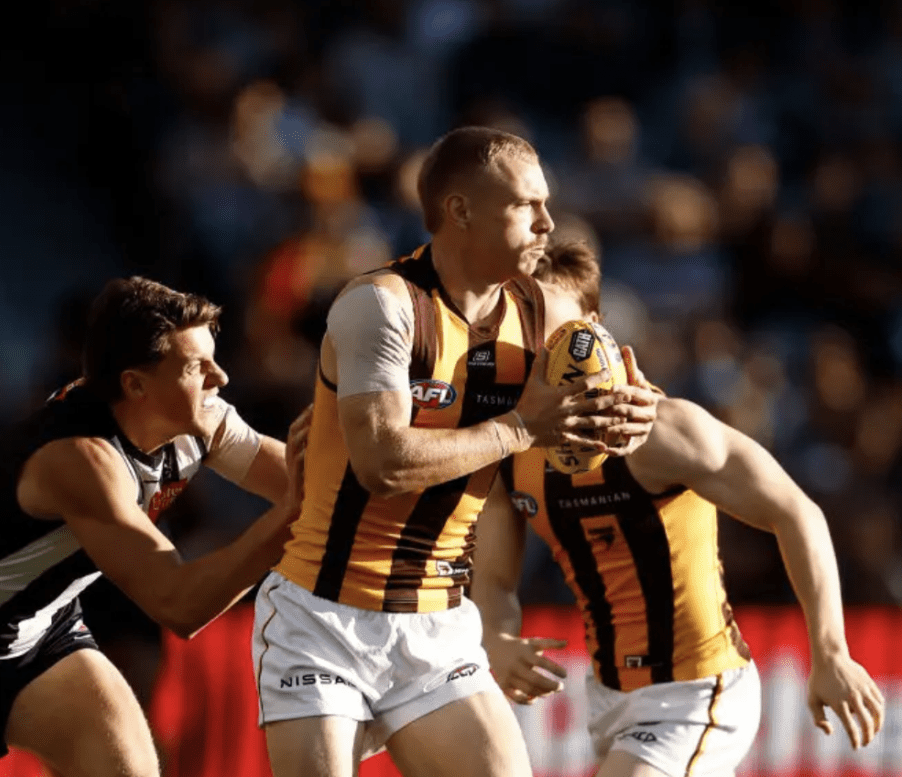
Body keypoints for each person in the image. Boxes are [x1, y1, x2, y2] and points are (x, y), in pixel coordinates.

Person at [252, 126, 660, 777]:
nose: (547, 221)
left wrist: (633, 418)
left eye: (546, 203)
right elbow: (380, 464)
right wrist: (520, 428)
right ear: (461, 211)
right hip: (324, 616)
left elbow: (610, 408)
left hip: (437, 624)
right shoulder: (380, 306)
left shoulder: (546, 315)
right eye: (526, 205)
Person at [470, 239, 885, 777]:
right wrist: (497, 640)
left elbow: (796, 511)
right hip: (609, 696)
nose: (537, 349)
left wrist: (830, 652)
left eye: (553, 330)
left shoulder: (661, 432)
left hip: (697, 690)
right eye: (520, 328)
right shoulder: (511, 447)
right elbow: (495, 582)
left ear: (596, 327)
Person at [0, 276, 311, 777]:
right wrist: (295, 517)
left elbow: (304, 487)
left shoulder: (196, 415)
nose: (221, 378)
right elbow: (179, 602)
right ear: (136, 383)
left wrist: (382, 481)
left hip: (40, 633)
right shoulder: (80, 461)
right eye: (197, 366)